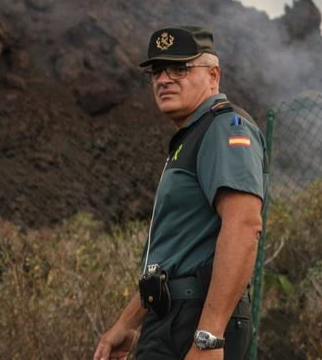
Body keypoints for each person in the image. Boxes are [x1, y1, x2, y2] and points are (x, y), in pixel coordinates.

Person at [94, 26, 266, 360]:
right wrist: (127, 324)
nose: (164, 79)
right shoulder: (192, 138)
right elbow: (174, 258)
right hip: (171, 318)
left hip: (195, 320)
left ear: (213, 75)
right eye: (156, 70)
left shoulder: (223, 128)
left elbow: (245, 225)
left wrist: (209, 336)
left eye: (180, 68)